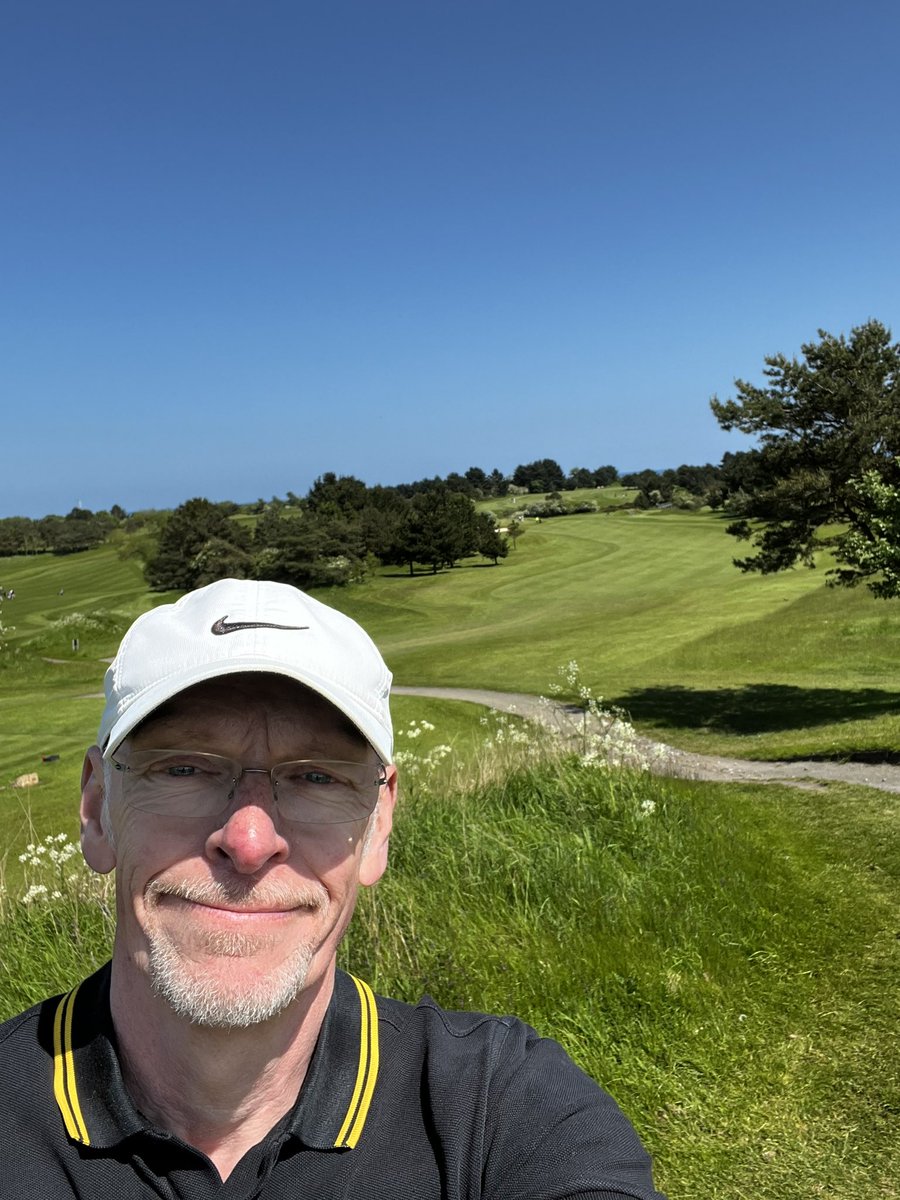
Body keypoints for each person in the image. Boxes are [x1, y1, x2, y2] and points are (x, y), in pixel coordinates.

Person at [0, 578, 666, 1198]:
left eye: (316, 777)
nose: (250, 841)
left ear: (379, 825)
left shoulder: (499, 1111)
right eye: (183, 769)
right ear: (95, 808)